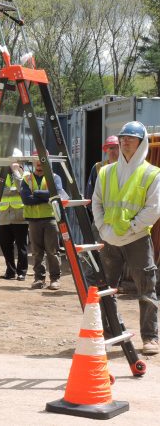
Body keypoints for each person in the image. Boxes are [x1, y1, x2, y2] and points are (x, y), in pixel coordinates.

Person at [92, 121, 160, 356]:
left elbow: (153, 209)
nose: (125, 141)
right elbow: (97, 202)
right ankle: (110, 332)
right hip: (110, 239)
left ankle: (150, 338)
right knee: (105, 288)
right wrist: (103, 228)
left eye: (130, 138)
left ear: (141, 143)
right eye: (122, 137)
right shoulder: (107, 171)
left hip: (138, 238)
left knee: (146, 287)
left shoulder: (151, 173)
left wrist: (131, 228)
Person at [20, 150, 66, 290]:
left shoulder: (54, 177)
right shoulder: (27, 179)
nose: (39, 163)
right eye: (37, 160)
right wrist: (45, 196)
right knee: (36, 252)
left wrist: (37, 193)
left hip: (50, 219)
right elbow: (27, 200)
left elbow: (55, 194)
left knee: (52, 251)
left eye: (42, 160)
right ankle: (39, 279)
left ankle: (55, 279)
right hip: (33, 221)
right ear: (33, 162)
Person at [0, 148, 29, 281]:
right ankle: (10, 271)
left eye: (14, 160)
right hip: (4, 214)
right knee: (5, 245)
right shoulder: (3, 175)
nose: (11, 163)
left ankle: (22, 272)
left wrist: (16, 172)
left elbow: (21, 188)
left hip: (19, 214)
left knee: (21, 245)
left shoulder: (26, 174)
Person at [85, 135, 120, 203]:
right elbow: (90, 192)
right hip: (101, 210)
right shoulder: (98, 167)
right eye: (110, 148)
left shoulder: (125, 167)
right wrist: (95, 212)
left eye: (116, 148)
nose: (112, 151)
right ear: (106, 150)